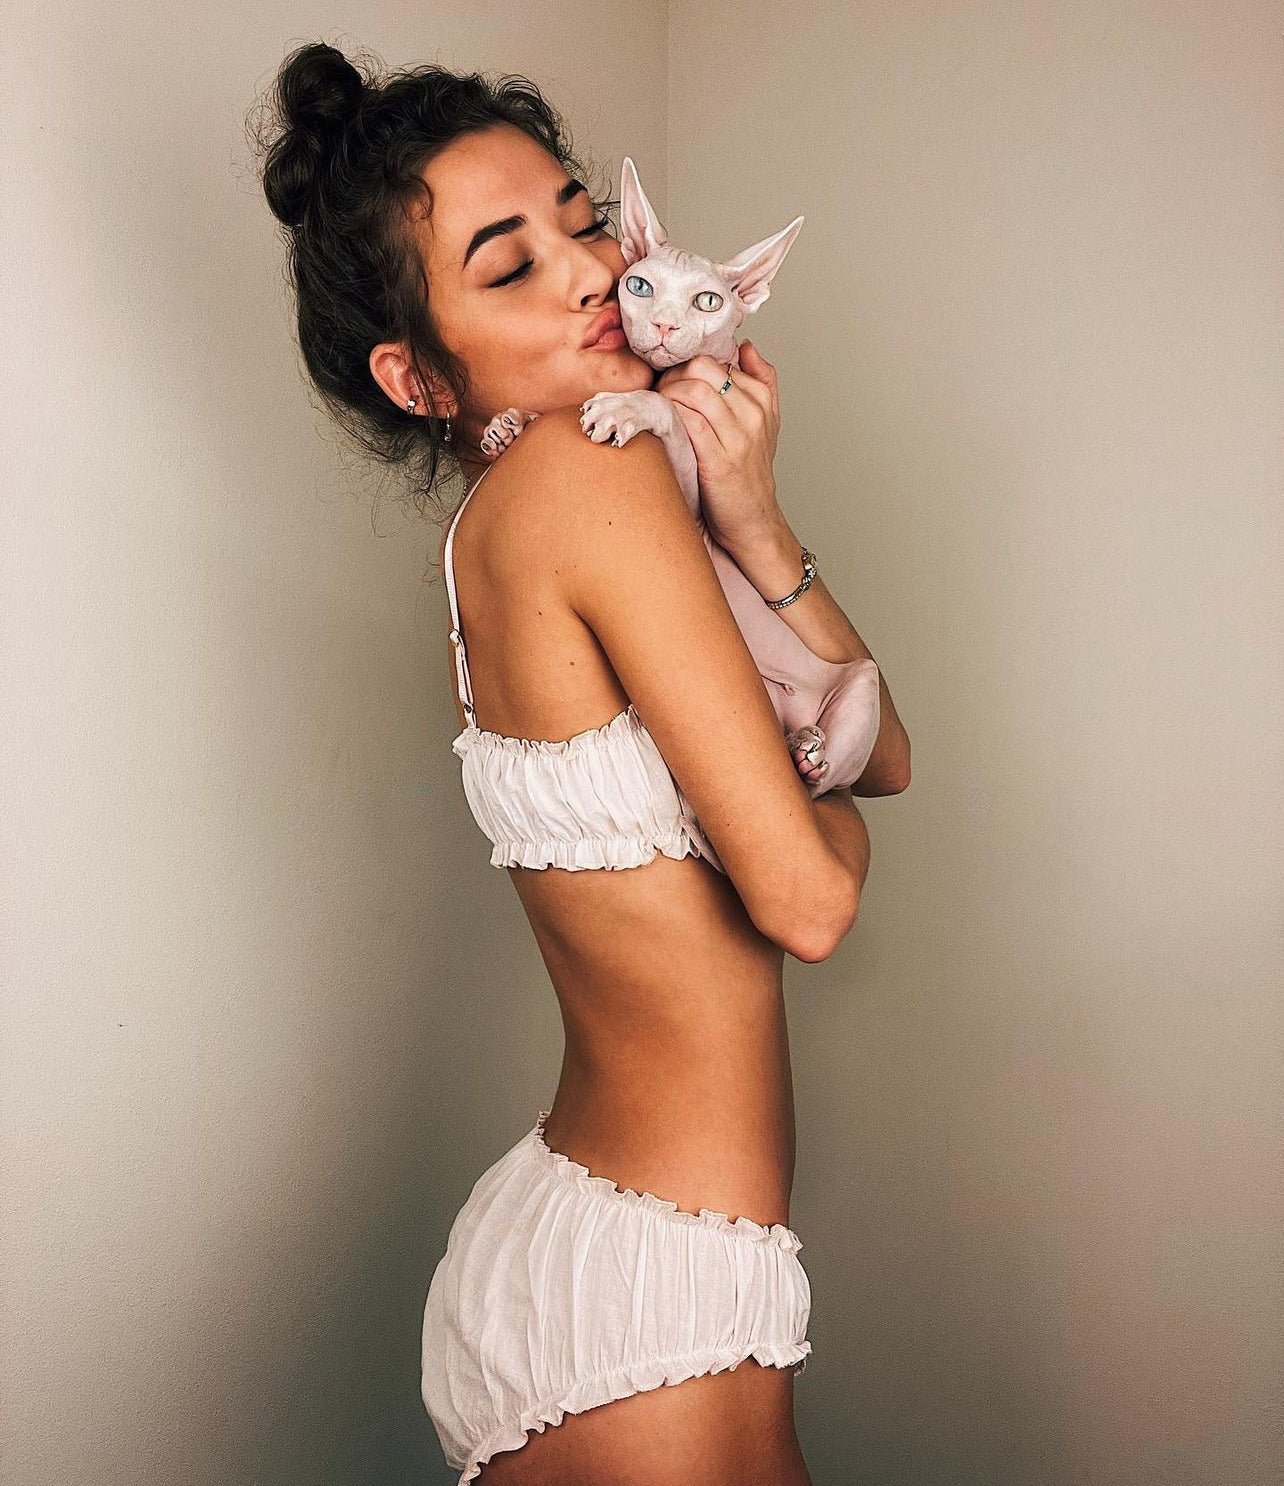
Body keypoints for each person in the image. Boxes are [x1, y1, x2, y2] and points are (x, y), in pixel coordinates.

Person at [256, 41, 911, 1486]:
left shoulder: (527, 511)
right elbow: (809, 894)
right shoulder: (586, 479)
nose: (586, 274)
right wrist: (817, 800)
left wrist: (750, 513)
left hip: (609, 1235)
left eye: (581, 218)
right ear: (417, 375)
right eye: (508, 266)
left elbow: (889, 753)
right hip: (648, 1292)